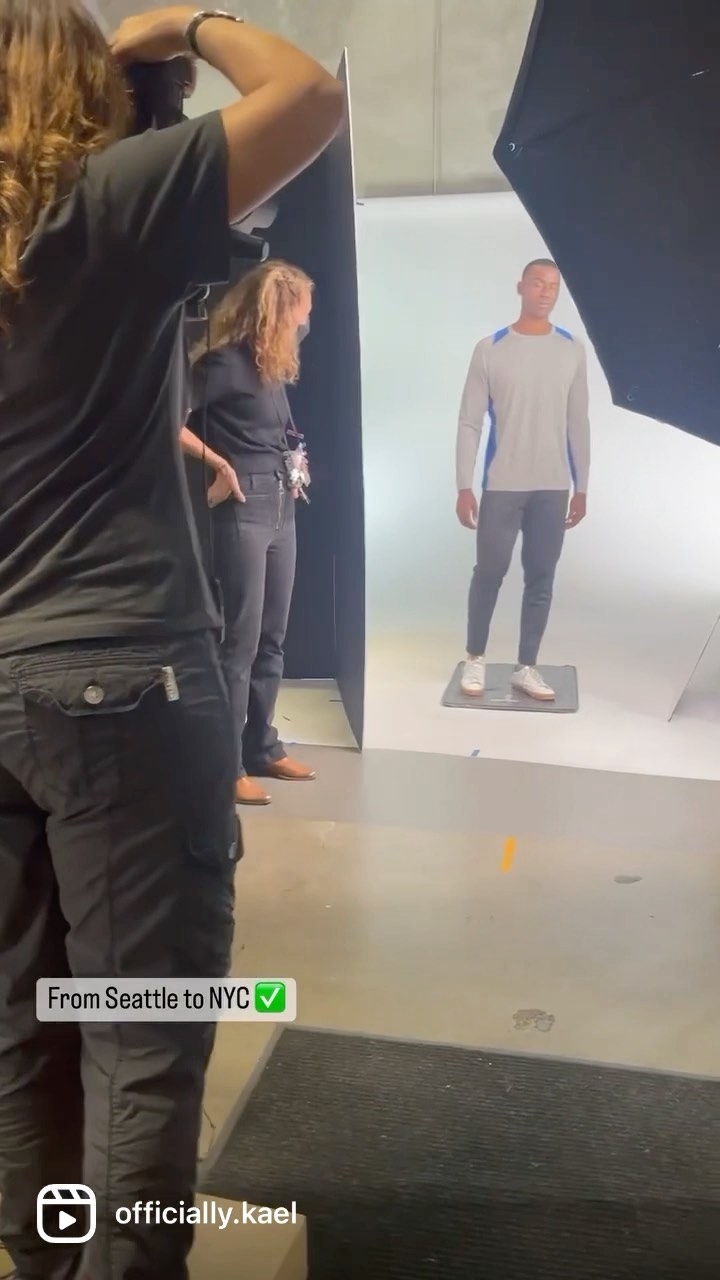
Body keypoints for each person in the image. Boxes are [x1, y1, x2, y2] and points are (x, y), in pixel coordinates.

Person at [0, 4, 343, 1279]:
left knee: (20, 1026)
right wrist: (184, 28)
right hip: (122, 677)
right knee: (139, 1029)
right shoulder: (99, 206)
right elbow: (306, 97)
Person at [182, 261, 317, 807]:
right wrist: (219, 463)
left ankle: (261, 745)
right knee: (239, 641)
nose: (306, 321)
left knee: (272, 638)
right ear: (279, 310)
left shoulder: (272, 365)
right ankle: (225, 764)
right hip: (244, 505)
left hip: (282, 503)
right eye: (302, 310)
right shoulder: (223, 364)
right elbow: (166, 418)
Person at [455, 259, 590, 701]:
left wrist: (582, 486)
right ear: (521, 287)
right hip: (502, 485)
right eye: (537, 283)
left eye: (553, 285)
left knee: (541, 577)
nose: (546, 291)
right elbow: (470, 422)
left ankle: (526, 667)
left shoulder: (571, 349)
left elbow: (578, 423)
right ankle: (475, 658)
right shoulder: (490, 349)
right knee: (489, 572)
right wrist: (464, 485)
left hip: (552, 487)